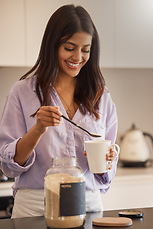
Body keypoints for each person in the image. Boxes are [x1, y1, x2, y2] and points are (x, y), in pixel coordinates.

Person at [0, 4, 118, 218]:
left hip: (88, 206)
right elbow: (9, 167)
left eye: (85, 49)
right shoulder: (23, 92)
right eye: (69, 47)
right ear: (52, 45)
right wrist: (38, 129)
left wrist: (106, 160)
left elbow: (103, 172)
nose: (78, 57)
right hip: (35, 209)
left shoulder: (101, 96)